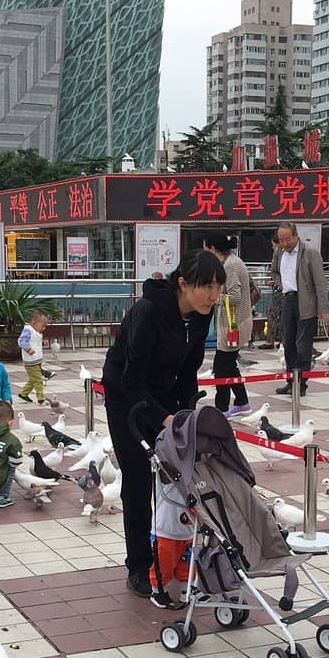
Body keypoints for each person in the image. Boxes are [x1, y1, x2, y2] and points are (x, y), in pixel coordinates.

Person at [102, 250, 221, 598]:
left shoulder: (202, 314)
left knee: (177, 478)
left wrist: (185, 417)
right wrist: (162, 419)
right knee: (138, 481)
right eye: (207, 287)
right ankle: (139, 565)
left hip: (165, 393)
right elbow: (132, 378)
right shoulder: (149, 311)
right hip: (127, 397)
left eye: (217, 288)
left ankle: (179, 556)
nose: (213, 295)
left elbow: (188, 371)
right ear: (183, 284)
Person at [270, 223, 329, 395]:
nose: (284, 243)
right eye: (281, 240)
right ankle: (290, 381)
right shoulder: (278, 252)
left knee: (303, 345)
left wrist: (322, 307)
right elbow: (274, 272)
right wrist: (281, 285)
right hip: (287, 300)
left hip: (306, 302)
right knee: (288, 344)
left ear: (296, 236)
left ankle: (301, 384)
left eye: (287, 239)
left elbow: (320, 281)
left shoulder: (310, 253)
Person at [203, 232, 253, 418]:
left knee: (221, 367)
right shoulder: (229, 262)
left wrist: (214, 297)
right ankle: (242, 402)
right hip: (231, 323)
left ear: (214, 249)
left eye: (206, 248)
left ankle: (221, 409)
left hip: (234, 324)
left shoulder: (231, 265)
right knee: (228, 365)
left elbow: (235, 297)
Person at [148, 473, 194, 609]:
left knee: (187, 563)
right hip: (165, 529)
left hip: (187, 527)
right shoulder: (166, 466)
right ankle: (158, 590)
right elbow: (166, 472)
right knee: (163, 563)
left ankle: (187, 588)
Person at [16, 310, 49, 403]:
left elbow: (34, 342)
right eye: (42, 325)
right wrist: (28, 349)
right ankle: (41, 399)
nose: (44, 328)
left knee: (33, 379)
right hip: (31, 361)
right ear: (34, 323)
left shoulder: (35, 331)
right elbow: (21, 341)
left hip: (36, 360)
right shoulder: (28, 330)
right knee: (38, 380)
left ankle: (23, 394)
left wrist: (42, 342)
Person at [259, 234, 283, 350]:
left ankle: (270, 341)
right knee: (284, 317)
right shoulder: (288, 253)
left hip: (279, 291)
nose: (272, 247)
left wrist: (276, 282)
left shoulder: (278, 253)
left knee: (272, 315)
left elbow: (276, 272)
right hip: (286, 291)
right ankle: (283, 341)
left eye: (273, 245)